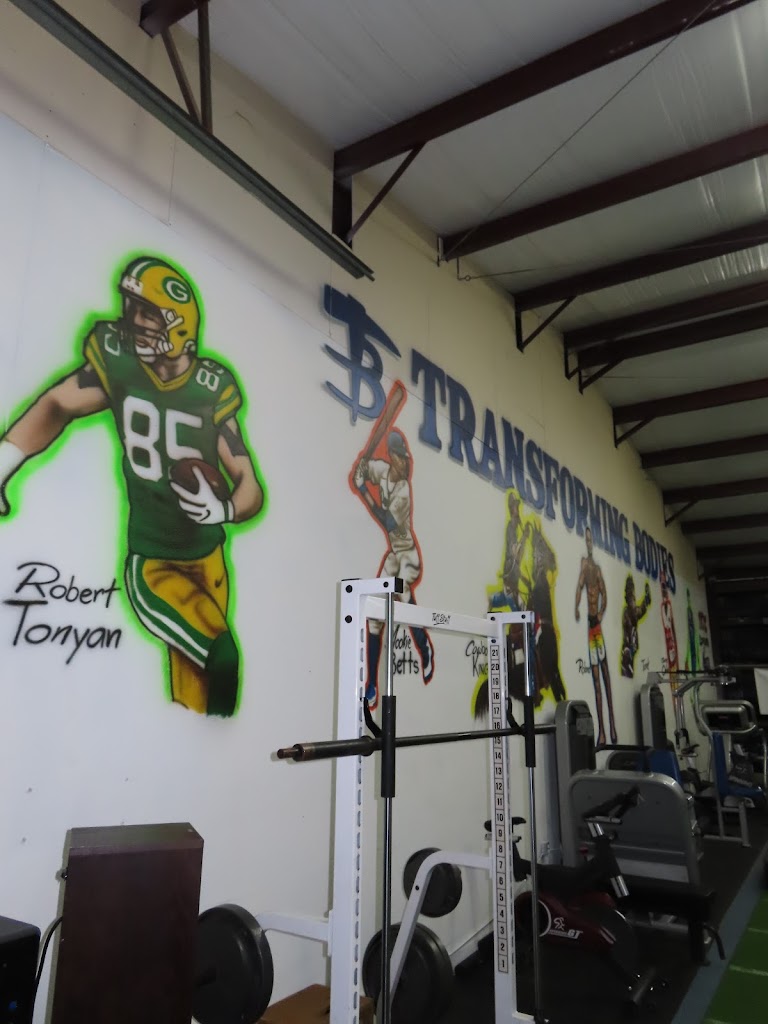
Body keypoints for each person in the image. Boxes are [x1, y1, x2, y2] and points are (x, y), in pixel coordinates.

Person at [0, 255, 264, 717]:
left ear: (179, 324)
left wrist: (223, 510)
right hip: (154, 563)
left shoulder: (210, 386)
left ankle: (197, 741)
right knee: (222, 657)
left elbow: (249, 483)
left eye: (148, 313)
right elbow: (57, 405)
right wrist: (5, 463)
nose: (134, 321)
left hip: (211, 560)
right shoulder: (121, 363)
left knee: (196, 692)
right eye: (131, 307)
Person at [353, 429, 433, 707]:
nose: (405, 462)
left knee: (402, 594)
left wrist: (363, 489)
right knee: (375, 615)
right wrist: (362, 470)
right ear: (391, 457)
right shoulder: (384, 470)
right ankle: (372, 685)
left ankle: (424, 648)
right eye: (400, 457)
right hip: (393, 555)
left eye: (406, 458)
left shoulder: (404, 491)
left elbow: (386, 521)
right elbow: (367, 468)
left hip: (408, 554)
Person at [574, 527, 615, 746]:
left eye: (591, 540)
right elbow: (579, 588)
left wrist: (601, 612)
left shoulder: (597, 570)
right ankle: (603, 732)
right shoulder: (584, 567)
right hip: (591, 629)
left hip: (597, 627)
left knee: (606, 676)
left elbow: (604, 594)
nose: (589, 543)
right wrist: (576, 607)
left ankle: (612, 726)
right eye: (587, 540)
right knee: (597, 681)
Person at [620, 575, 652, 678]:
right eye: (631, 597)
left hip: (631, 649)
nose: (633, 600)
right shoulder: (627, 613)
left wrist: (646, 599)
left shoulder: (633, 611)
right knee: (627, 672)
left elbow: (639, 610)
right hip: (627, 651)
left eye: (633, 597)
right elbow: (636, 612)